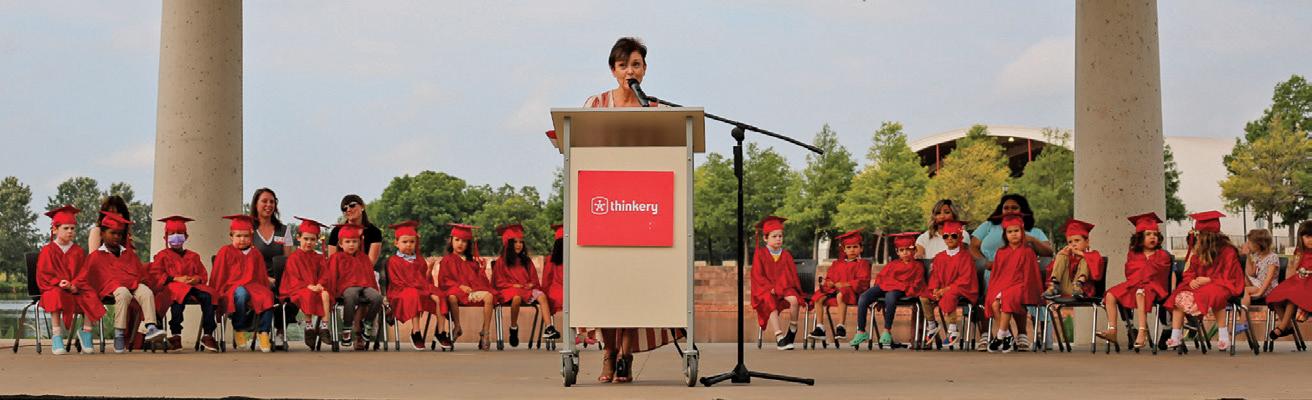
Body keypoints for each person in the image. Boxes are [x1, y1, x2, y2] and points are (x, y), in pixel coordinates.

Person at [582, 37, 685, 384]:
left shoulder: (656, 109)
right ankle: (609, 353)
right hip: (602, 209)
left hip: (643, 208)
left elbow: (669, 153)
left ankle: (625, 354)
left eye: (636, 64)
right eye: (623, 65)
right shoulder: (595, 105)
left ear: (645, 69)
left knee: (633, 284)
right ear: (613, 70)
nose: (630, 70)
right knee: (607, 284)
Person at [969, 194, 1053, 351]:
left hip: (1021, 280)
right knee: (991, 298)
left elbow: (1048, 252)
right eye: (1006, 207)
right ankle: (999, 335)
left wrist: (1031, 240)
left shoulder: (1032, 237)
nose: (1009, 210)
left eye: (1014, 207)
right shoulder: (991, 230)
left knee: (1009, 296)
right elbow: (972, 246)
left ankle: (1015, 335)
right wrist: (986, 263)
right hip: (994, 276)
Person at [1164, 211, 1244, 351]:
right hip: (1200, 285)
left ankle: (1223, 335)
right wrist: (1191, 280)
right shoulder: (1199, 251)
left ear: (1207, 237)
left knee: (1216, 294)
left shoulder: (1228, 251)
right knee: (1178, 295)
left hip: (1222, 283)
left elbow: (1230, 274)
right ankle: (1175, 335)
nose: (1198, 238)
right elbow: (1190, 271)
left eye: (1200, 235)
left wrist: (1209, 279)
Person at [88, 211, 167, 352]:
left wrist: (140, 282)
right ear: (102, 234)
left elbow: (140, 274)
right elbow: (94, 280)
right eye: (113, 233)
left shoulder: (128, 254)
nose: (117, 237)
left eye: (119, 234)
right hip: (112, 289)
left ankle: (150, 326)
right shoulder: (96, 256)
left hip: (132, 285)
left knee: (146, 292)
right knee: (123, 293)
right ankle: (119, 333)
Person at [36, 205, 103, 354]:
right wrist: (58, 282)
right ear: (55, 230)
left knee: (90, 294)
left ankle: (86, 332)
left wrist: (74, 285)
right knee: (55, 295)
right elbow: (44, 274)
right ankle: (57, 336)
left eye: (72, 228)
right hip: (54, 287)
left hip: (75, 287)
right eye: (66, 228)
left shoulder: (78, 251)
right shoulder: (47, 250)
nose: (70, 231)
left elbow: (84, 273)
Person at [1101, 212, 1172, 349]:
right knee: (1110, 295)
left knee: (1140, 292)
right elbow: (1130, 272)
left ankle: (1141, 332)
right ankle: (1112, 331)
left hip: (1154, 287)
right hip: (1134, 284)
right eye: (1148, 234)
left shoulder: (1162, 255)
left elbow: (1159, 275)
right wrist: (1141, 275)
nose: (1152, 237)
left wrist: (1145, 272)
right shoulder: (1133, 254)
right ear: (1140, 238)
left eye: (1155, 234)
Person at [149, 215, 219, 352]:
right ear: (166, 237)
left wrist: (196, 279)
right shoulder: (162, 256)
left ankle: (208, 334)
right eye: (172, 234)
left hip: (193, 287)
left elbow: (202, 274)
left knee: (208, 296)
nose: (176, 237)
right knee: (178, 298)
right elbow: (156, 275)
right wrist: (175, 278)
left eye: (180, 233)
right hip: (172, 288)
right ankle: (176, 335)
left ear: (186, 237)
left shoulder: (193, 256)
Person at [210, 214, 277, 352]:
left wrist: (266, 284)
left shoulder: (255, 253)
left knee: (268, 296)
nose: (242, 239)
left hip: (253, 286)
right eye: (238, 236)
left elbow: (261, 276)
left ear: (251, 237)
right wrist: (217, 294)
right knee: (241, 293)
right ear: (231, 237)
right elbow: (218, 275)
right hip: (231, 288)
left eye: (246, 236)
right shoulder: (225, 251)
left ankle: (264, 332)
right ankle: (239, 328)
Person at [851, 232, 924, 347]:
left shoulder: (918, 266)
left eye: (908, 249)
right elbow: (881, 278)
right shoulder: (892, 264)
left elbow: (916, 284)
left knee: (890, 296)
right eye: (901, 250)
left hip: (900, 290)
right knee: (864, 297)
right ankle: (861, 331)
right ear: (897, 252)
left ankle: (887, 330)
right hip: (885, 286)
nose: (905, 252)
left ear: (914, 250)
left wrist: (900, 285)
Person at [984, 212, 1041, 353]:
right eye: (1010, 232)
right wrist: (996, 289)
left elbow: (1030, 275)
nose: (1013, 234)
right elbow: (997, 274)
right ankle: (1008, 336)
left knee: (1007, 297)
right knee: (994, 303)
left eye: (1016, 231)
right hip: (1003, 285)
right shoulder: (1001, 252)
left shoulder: (1027, 251)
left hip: (1021, 285)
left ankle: (1000, 336)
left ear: (1022, 232)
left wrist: (1024, 289)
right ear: (1005, 234)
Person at [385, 220, 446, 351]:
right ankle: (416, 332)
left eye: (412, 242)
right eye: (405, 242)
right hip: (400, 291)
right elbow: (396, 282)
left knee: (439, 296)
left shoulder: (419, 259)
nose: (408, 245)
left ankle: (440, 332)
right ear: (396, 243)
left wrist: (430, 268)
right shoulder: (393, 261)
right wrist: (416, 286)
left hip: (421, 287)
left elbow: (425, 279)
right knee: (414, 294)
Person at [437, 223, 496, 351]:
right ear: (451, 241)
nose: (460, 243)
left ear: (468, 244)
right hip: (456, 291)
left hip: (472, 291)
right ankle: (457, 327)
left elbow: (481, 282)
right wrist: (460, 286)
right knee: (452, 296)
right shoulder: (446, 260)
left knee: (489, 296)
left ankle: (485, 332)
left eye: (464, 241)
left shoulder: (472, 262)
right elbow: (444, 280)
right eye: (457, 240)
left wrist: (482, 269)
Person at [249, 188, 296, 348]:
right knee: (263, 293)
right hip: (255, 278)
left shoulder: (283, 230)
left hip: (280, 278)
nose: (269, 205)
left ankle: (280, 331)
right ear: (256, 204)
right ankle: (262, 332)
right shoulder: (248, 230)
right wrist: (264, 278)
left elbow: (287, 260)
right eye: (264, 201)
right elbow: (245, 260)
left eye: (272, 201)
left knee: (296, 294)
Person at [919, 220, 977, 347]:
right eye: (946, 236)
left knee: (949, 295)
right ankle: (932, 325)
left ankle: (953, 329)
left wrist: (945, 290)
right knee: (924, 296)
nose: (949, 238)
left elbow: (965, 279)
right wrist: (935, 288)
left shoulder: (966, 257)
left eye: (953, 235)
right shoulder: (940, 257)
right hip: (942, 288)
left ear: (960, 237)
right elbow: (935, 275)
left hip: (962, 289)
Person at [492, 224, 552, 348]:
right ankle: (514, 327)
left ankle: (549, 328)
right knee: (517, 297)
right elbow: (498, 282)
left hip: (526, 290)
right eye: (515, 242)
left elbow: (534, 279)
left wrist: (531, 284)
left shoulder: (526, 261)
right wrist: (513, 285)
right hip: (508, 291)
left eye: (521, 242)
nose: (519, 245)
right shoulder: (501, 262)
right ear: (508, 244)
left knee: (542, 296)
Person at [327, 223, 383, 351]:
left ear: (359, 243)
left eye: (354, 241)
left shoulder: (363, 258)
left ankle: (367, 323)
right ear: (341, 244)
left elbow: (370, 276)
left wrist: (373, 288)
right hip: (346, 287)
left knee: (377, 297)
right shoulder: (336, 258)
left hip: (365, 286)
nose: (351, 244)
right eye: (348, 242)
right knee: (351, 295)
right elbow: (332, 276)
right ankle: (347, 327)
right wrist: (332, 294)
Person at [280, 217, 334, 349]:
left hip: (316, 288)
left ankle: (324, 327)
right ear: (298, 238)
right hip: (298, 289)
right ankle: (309, 326)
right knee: (307, 294)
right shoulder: (293, 258)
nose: (309, 242)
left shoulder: (319, 257)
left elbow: (325, 274)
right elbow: (293, 278)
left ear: (317, 240)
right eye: (306, 239)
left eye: (312, 239)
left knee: (325, 294)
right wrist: (309, 286)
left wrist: (320, 284)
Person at [750, 216, 802, 351]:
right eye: (774, 236)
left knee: (794, 300)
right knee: (769, 300)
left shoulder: (786, 255)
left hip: (784, 287)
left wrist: (780, 287)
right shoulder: (760, 254)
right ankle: (779, 337)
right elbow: (757, 276)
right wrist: (770, 288)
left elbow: (791, 276)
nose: (778, 239)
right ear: (765, 238)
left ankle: (792, 329)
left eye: (780, 236)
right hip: (765, 289)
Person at [810, 229, 870, 342]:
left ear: (861, 248)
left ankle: (840, 327)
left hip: (853, 293)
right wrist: (828, 283)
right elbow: (829, 278)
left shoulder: (863, 264)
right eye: (849, 247)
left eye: (855, 247)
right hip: (834, 291)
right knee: (818, 296)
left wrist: (845, 284)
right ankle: (820, 327)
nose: (852, 250)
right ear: (844, 249)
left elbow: (863, 282)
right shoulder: (837, 264)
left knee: (841, 294)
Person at [1266, 221, 1312, 340]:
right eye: (1307, 237)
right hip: (1298, 280)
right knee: (1276, 297)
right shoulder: (1299, 251)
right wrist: (1294, 263)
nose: (1310, 240)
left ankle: (1281, 328)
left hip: (1309, 284)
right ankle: (1288, 327)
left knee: (1293, 296)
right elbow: (1292, 271)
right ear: (1301, 237)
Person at [1043, 219, 1103, 300]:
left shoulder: (1093, 254)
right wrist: (1059, 256)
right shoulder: (1068, 257)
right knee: (1061, 255)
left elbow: (1097, 270)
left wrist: (1081, 254)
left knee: (1086, 258)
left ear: (1087, 242)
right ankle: (1054, 286)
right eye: (1070, 242)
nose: (1073, 244)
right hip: (1065, 288)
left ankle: (1079, 284)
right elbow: (1050, 270)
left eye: (1077, 240)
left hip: (1084, 289)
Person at [1234, 229, 1279, 335]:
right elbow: (1251, 273)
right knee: (1241, 277)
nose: (1248, 244)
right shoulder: (1257, 256)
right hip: (1258, 284)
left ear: (1259, 244)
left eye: (1250, 242)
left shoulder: (1273, 257)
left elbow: (1269, 278)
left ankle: (1243, 321)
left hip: (1269, 288)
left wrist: (1260, 292)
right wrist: (1248, 256)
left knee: (1246, 290)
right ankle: (1234, 298)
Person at [327, 194, 383, 264]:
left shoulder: (374, 232)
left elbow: (370, 263)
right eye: (344, 208)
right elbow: (332, 261)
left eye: (352, 205)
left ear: (362, 207)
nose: (348, 210)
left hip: (364, 269)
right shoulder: (336, 231)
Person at [538, 224, 565, 341]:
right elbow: (547, 280)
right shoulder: (551, 260)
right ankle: (582, 333)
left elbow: (546, 280)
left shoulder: (551, 259)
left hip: (558, 292)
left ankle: (582, 333)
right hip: (562, 292)